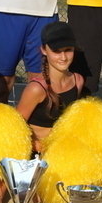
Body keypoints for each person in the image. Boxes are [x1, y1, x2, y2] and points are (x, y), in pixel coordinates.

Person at [16, 21, 87, 152]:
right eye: (56, 51)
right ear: (43, 50)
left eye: (68, 50)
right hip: (36, 156)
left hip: (63, 152)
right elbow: (15, 127)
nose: (63, 57)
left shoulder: (78, 80)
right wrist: (37, 145)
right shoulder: (36, 88)